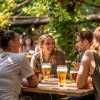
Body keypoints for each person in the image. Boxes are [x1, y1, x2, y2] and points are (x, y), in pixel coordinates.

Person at [0, 29, 38, 100]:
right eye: (18, 41)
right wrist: (22, 80)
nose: (20, 44)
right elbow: (34, 83)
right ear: (12, 43)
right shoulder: (20, 57)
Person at [76, 26, 100, 100]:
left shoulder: (90, 54)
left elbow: (80, 85)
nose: (76, 44)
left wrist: (91, 80)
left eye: (77, 41)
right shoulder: (80, 55)